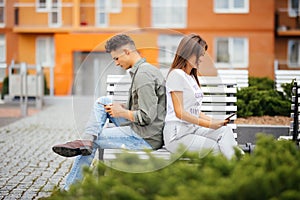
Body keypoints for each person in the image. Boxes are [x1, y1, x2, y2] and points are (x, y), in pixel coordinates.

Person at [52, 34, 166, 190]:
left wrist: (121, 112)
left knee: (94, 142)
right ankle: (87, 138)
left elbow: (146, 117)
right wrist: (125, 107)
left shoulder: (143, 76)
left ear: (127, 51)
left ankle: (68, 191)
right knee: (103, 102)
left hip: (145, 138)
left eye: (116, 58)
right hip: (142, 129)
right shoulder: (144, 70)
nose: (116, 63)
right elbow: (148, 106)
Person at [163, 33, 239, 159]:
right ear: (188, 53)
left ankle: (238, 165)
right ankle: (235, 171)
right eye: (200, 55)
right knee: (214, 148)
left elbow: (195, 112)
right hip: (177, 135)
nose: (202, 59)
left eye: (203, 55)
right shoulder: (176, 75)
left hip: (191, 129)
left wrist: (215, 122)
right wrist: (209, 125)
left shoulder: (191, 77)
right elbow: (180, 112)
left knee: (225, 131)